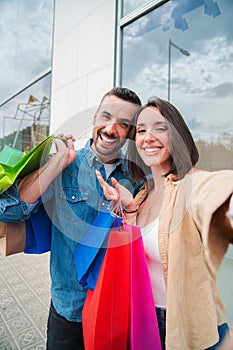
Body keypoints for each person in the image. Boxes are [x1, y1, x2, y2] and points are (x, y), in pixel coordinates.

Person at [0, 87, 142, 349]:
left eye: (123, 124)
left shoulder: (138, 178)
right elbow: (8, 212)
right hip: (70, 311)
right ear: (95, 117)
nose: (111, 129)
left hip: (118, 310)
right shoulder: (65, 165)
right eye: (106, 117)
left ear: (131, 132)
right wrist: (58, 162)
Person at [96, 96, 233, 350]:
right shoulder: (142, 194)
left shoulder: (190, 185)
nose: (148, 137)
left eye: (160, 128)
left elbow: (212, 191)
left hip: (191, 327)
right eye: (141, 130)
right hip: (147, 321)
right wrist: (128, 207)